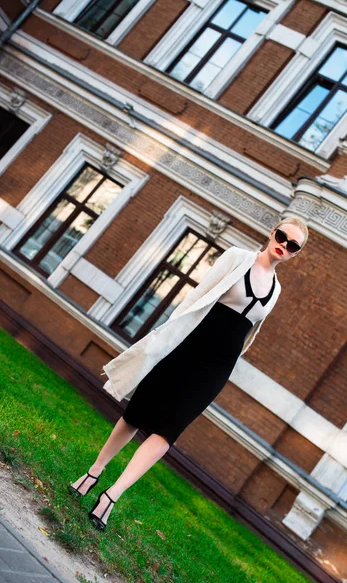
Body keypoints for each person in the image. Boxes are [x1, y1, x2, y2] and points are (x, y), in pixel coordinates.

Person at [69, 216, 308, 531]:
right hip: (187, 347)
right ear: (271, 232)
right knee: (137, 413)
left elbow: (249, 332)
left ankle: (111, 497)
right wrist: (166, 339)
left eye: (293, 246)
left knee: (169, 430)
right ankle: (94, 472)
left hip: (216, 369)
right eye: (282, 237)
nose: (284, 246)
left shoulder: (276, 290)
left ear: (294, 254)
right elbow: (196, 298)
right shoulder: (237, 258)